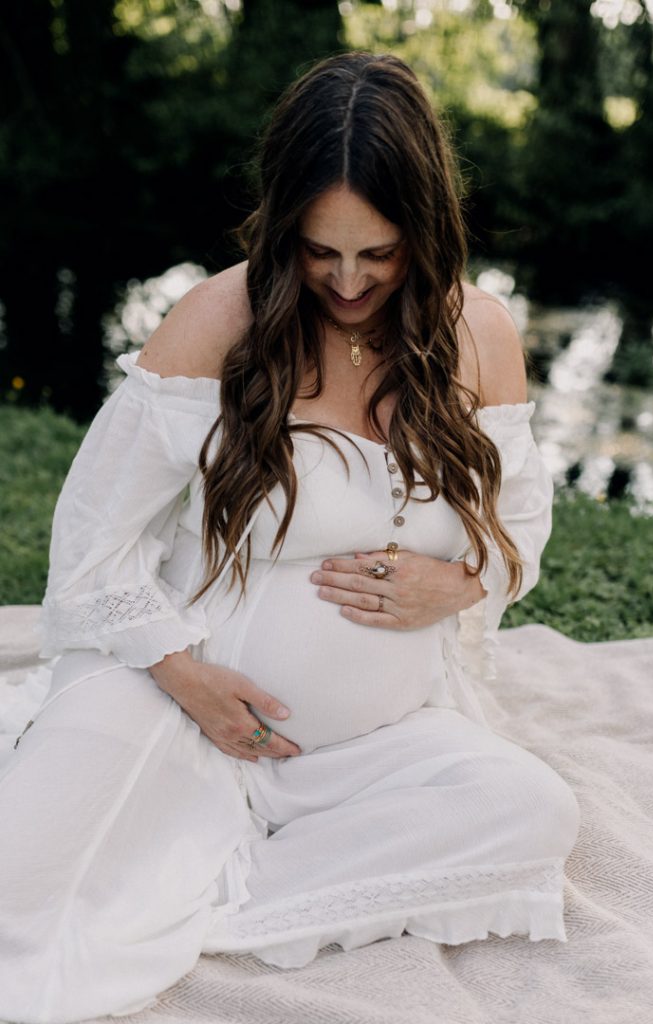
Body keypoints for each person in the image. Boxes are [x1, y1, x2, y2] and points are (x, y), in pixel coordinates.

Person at [0, 50, 580, 1023]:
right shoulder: (214, 323)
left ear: (426, 230)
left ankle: (196, 888)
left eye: (378, 253)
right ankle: (154, 846)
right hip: (172, 701)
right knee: (19, 895)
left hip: (369, 748)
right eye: (320, 251)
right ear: (282, 226)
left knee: (531, 812)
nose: (347, 281)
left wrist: (463, 583)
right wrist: (185, 675)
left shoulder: (477, 332)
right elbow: (91, 546)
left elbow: (516, 529)